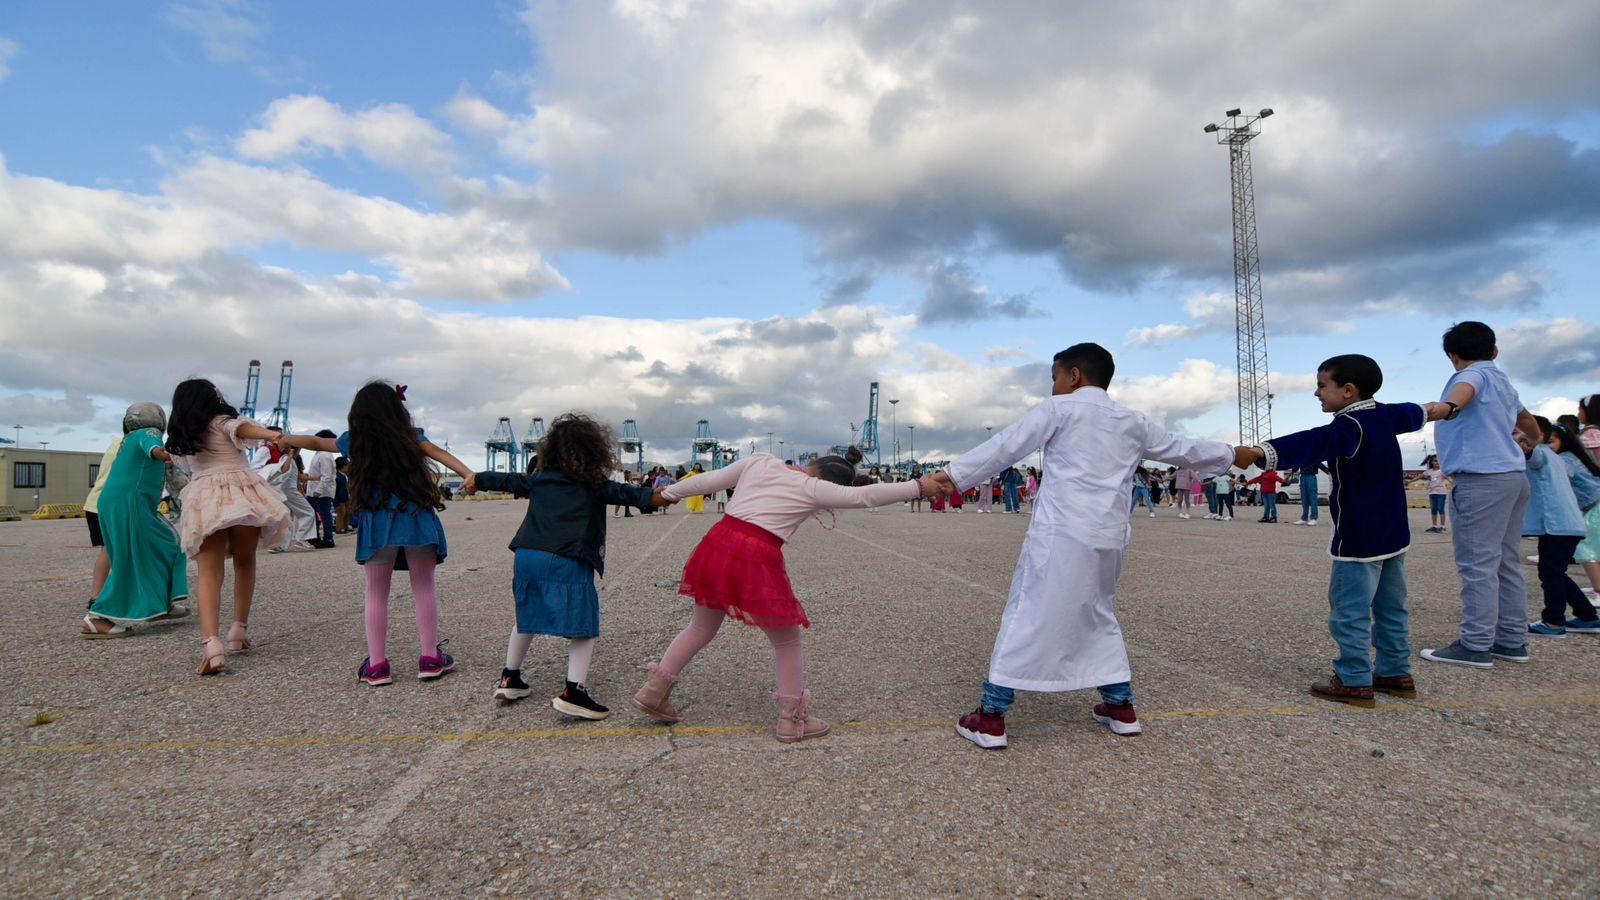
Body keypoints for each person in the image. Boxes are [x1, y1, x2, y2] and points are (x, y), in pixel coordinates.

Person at [932, 343, 1233, 749]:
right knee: (1098, 611)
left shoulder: (1059, 410)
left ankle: (991, 715)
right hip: (1108, 537)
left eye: (1055, 377)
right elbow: (1185, 449)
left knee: (1030, 610)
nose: (1054, 386)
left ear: (1073, 375)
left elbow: (1006, 445)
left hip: (1061, 533)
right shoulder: (1134, 420)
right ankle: (1120, 706)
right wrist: (1234, 454)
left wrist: (952, 475)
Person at [632, 447, 934, 743]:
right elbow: (864, 496)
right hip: (756, 553)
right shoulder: (814, 489)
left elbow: (707, 481)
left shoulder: (760, 461)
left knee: (700, 627)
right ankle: (792, 720)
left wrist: (667, 494)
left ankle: (653, 692)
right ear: (832, 483)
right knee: (787, 639)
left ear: (815, 462)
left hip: (718, 541)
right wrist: (919, 485)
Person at [1237, 354, 1430, 707]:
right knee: (1391, 607)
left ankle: (1354, 679)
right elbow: (1422, 411)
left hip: (1359, 536)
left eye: (1322, 385)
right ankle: (1395, 672)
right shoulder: (1387, 415)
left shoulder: (1349, 426)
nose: (1316, 393)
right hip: (1394, 533)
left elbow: (1311, 442)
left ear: (1348, 390)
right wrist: (1449, 407)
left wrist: (1257, 452)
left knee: (1349, 609)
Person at [278, 381, 477, 686]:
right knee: (423, 586)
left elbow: (317, 443)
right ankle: (429, 658)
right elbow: (437, 453)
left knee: (375, 592)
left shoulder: (355, 441)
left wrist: (284, 438)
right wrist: (468, 474)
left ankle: (377, 665)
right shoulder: (410, 437)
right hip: (415, 515)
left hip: (376, 519)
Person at [469, 414, 668, 717]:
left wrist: (477, 479)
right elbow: (624, 493)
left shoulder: (539, 479)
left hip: (527, 556)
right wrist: (656, 497)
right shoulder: (592, 484)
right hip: (567, 557)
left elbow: (506, 480)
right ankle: (574, 691)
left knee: (527, 616)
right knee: (583, 626)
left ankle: (510, 677)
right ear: (593, 450)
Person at [1417, 322, 1542, 668]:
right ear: (1495, 351)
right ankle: (1511, 641)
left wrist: (1437, 409)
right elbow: (1530, 424)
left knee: (1478, 565)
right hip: (1513, 477)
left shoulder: (1469, 376)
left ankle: (1475, 643)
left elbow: (1461, 397)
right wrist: (1531, 439)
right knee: (1506, 562)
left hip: (1481, 480)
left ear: (1453, 356)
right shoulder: (1503, 381)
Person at [166, 379, 293, 674]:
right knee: (245, 561)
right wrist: (274, 435)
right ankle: (238, 630)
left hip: (205, 496)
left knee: (209, 572)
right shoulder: (223, 421)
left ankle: (211, 645)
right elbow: (245, 430)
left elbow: (181, 463)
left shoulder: (183, 434)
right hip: (241, 492)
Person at [81, 403, 190, 638]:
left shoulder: (126, 440)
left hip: (117, 503)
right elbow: (156, 451)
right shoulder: (149, 433)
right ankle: (97, 617)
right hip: (130, 503)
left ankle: (160, 603)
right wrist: (173, 453)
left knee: (154, 549)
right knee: (163, 547)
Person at [1521, 418, 1600, 636]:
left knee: (1551, 573)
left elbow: (1534, 457)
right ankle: (1587, 615)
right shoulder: (1558, 458)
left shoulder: (1541, 454)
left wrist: (1527, 446)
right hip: (1568, 524)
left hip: (1556, 525)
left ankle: (1553, 621)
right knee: (1555, 571)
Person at [83, 431, 126, 609]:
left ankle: (97, 596)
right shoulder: (130, 445)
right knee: (111, 551)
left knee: (107, 551)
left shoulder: (116, 443)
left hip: (94, 503)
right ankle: (101, 597)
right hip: (108, 505)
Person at [305, 430, 338, 548]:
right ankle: (315, 537)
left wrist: (319, 490)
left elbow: (327, 476)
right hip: (314, 490)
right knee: (313, 514)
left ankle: (328, 538)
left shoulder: (325, 455)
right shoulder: (319, 454)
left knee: (324, 514)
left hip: (322, 492)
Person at [1423, 455, 1450, 533]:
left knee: (1440, 508)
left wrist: (1455, 485)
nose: (1437, 462)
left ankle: (1443, 526)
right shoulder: (1429, 471)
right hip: (1432, 493)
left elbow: (1449, 478)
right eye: (1435, 460)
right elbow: (1420, 476)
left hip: (1441, 493)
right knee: (1433, 509)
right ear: (1431, 462)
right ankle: (1434, 526)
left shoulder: (1442, 471)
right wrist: (1409, 482)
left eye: (1438, 460)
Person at [333, 456, 352, 533]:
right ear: (343, 466)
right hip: (339, 498)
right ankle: (339, 528)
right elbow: (335, 489)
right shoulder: (337, 476)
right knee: (341, 513)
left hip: (346, 497)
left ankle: (345, 526)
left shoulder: (344, 476)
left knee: (347, 512)